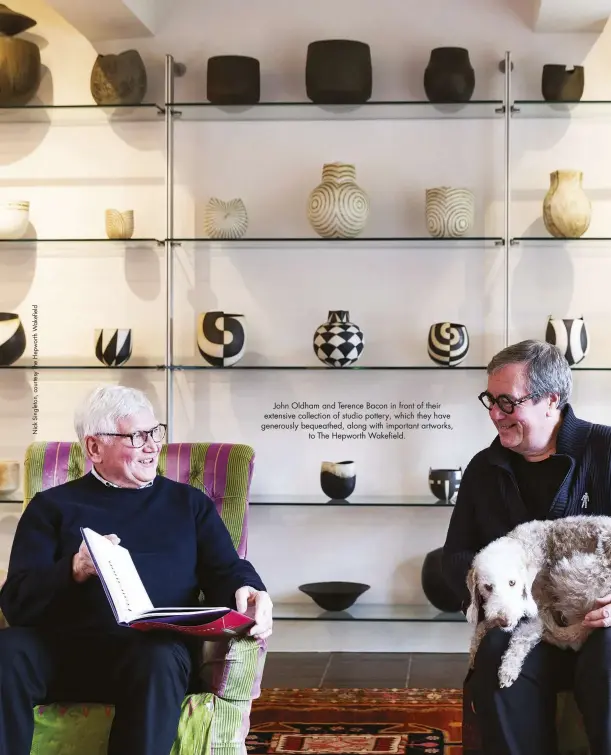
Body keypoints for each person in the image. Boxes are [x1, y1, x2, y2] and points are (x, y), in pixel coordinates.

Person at [0, 384, 273, 755]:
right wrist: (74, 568)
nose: (152, 446)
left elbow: (227, 569)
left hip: (150, 654)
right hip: (63, 651)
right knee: (8, 650)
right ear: (94, 447)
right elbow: (17, 602)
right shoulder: (51, 508)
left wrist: (250, 589)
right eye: (136, 436)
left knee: (158, 655)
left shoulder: (188, 504)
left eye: (154, 432)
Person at [442, 339, 611, 755]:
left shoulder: (605, 449)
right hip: (525, 624)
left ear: (551, 400)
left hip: (598, 622)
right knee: (497, 653)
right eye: (490, 400)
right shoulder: (485, 467)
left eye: (507, 401)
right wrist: (500, 590)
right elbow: (456, 556)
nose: (494, 414)